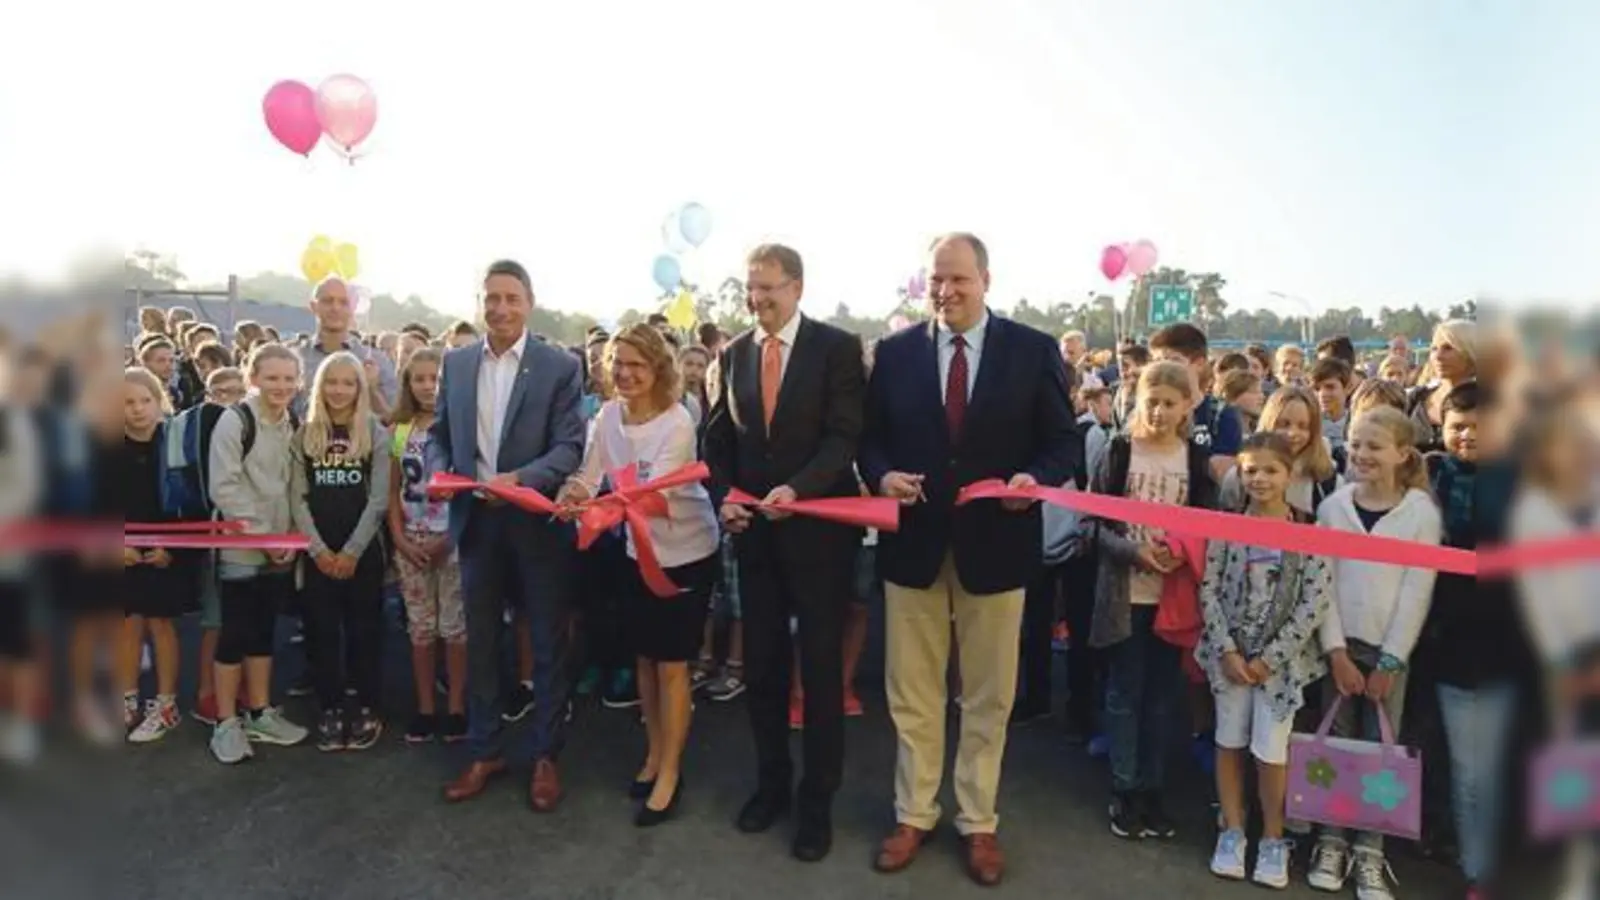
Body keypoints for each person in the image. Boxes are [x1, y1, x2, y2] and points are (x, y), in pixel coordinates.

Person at [858, 232, 1075, 886]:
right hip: (915, 545)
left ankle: (978, 821)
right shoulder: (894, 354)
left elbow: (1063, 444)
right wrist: (883, 474)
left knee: (988, 696)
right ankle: (914, 812)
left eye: (958, 280)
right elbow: (869, 441)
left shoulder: (1032, 351)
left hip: (997, 547)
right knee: (913, 693)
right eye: (936, 281)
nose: (946, 292)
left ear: (986, 279)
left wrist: (1031, 481)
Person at [703, 243, 865, 863]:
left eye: (768, 287)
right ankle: (771, 785)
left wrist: (799, 489)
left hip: (820, 539)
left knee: (820, 674)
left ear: (797, 287)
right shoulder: (735, 354)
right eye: (751, 288)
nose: (758, 298)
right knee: (763, 669)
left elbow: (844, 435)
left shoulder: (836, 348)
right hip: (757, 539)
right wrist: (726, 495)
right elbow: (717, 439)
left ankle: (817, 800)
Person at [431, 259, 585, 811]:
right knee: (483, 646)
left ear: (529, 302)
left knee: (545, 644)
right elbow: (439, 435)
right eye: (490, 297)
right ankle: (485, 751)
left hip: (536, 524)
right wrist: (441, 469)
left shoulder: (559, 366)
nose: (499, 308)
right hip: (477, 524)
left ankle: (546, 757)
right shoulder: (456, 363)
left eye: (510, 298)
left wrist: (519, 481)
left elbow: (569, 447)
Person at [557, 324, 721, 827]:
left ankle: (671, 772)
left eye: (638, 364)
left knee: (672, 665)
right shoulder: (606, 416)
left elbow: (655, 496)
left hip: (685, 552)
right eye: (619, 363)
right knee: (645, 659)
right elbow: (591, 474)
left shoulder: (677, 421)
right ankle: (653, 753)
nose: (626, 373)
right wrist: (572, 495)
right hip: (635, 550)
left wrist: (598, 506)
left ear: (658, 370)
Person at [1308, 406, 1442, 900]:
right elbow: (1324, 584)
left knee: (1381, 750)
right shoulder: (1333, 509)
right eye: (1356, 444)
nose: (1361, 454)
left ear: (1403, 454)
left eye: (1375, 446)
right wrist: (1336, 652)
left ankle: (1370, 850)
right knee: (1336, 746)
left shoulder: (1421, 514)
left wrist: (1391, 660)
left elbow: (1417, 590)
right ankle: (1331, 841)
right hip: (1341, 646)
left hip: (1391, 652)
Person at [1088, 361, 1217, 841]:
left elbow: (1209, 527)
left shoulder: (1194, 460)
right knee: (1126, 691)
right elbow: (1093, 522)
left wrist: (1180, 553)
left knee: (1163, 697)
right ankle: (1124, 787)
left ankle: (1152, 787)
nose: (1159, 411)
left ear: (1188, 406)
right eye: (1152, 401)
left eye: (1170, 402)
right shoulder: (1119, 450)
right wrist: (1133, 551)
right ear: (1137, 399)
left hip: (1174, 597)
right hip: (1127, 594)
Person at [1196, 432, 1332, 889]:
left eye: (1270, 470)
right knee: (1229, 741)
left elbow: (1313, 603)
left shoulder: (1309, 534)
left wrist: (1271, 658)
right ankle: (1232, 830)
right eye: (1250, 469)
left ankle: (1273, 837)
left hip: (1280, 669)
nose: (1259, 478)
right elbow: (1209, 590)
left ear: (1289, 475)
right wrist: (1229, 650)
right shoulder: (1226, 527)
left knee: (1271, 751)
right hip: (1230, 661)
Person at [206, 344, 310, 764]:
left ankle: (260, 712)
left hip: (279, 546)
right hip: (242, 547)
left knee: (265, 630)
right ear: (254, 378)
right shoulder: (236, 421)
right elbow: (225, 486)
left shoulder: (291, 421)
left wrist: (287, 537)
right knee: (235, 632)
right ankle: (226, 723)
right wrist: (264, 537)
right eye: (272, 378)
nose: (281, 386)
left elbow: (292, 484)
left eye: (289, 379)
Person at [289, 352, 391, 752]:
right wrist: (317, 549)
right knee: (322, 633)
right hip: (317, 553)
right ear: (319, 386)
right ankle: (330, 706)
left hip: (362, 552)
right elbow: (297, 497)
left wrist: (350, 551)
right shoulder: (306, 433)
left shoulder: (373, 432)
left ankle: (367, 704)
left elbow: (379, 499)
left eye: (349, 383)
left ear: (360, 388)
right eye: (332, 382)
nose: (339, 390)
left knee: (365, 632)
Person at [389, 348, 469, 744]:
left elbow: (470, 488)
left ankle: (455, 707)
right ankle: (424, 707)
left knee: (454, 626)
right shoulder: (400, 429)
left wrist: (451, 535)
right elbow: (391, 490)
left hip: (451, 540)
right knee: (421, 627)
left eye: (434, 378)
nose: (427, 386)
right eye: (418, 379)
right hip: (412, 540)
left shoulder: (461, 427)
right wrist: (399, 537)